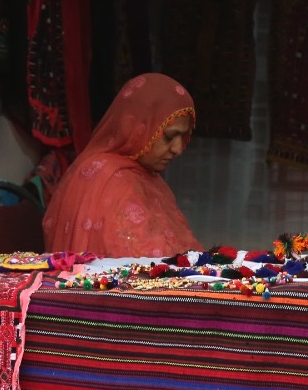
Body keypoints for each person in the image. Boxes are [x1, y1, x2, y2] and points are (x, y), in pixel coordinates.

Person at [42, 73, 198, 257]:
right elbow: (139, 266)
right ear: (131, 127)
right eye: (170, 137)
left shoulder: (145, 176)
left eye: (184, 137)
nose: (178, 149)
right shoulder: (111, 181)